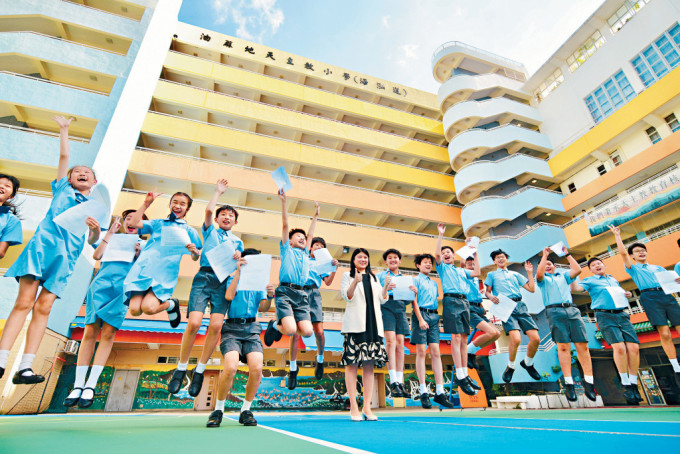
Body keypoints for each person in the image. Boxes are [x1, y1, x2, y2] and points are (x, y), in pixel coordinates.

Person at [0, 116, 101, 384]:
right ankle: (0, 361)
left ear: (93, 182)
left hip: (65, 259)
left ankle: (25, 368)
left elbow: (92, 242)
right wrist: (64, 129)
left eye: (87, 173)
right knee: (23, 303)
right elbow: (64, 156)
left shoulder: (92, 207)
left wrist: (95, 229)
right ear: (68, 178)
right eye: (77, 171)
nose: (82, 173)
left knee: (43, 309)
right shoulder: (62, 190)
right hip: (42, 249)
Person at [169, 180, 243, 397]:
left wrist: (239, 257)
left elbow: (238, 266)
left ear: (235, 221)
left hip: (223, 281)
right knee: (193, 323)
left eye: (231, 215)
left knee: (216, 327)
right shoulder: (209, 231)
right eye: (223, 214)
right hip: (203, 277)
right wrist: (218, 192)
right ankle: (181, 368)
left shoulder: (237, 242)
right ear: (218, 219)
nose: (227, 217)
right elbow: (209, 209)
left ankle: (199, 370)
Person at [63, 211, 144, 408]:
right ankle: (78, 385)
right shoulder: (112, 236)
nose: (131, 222)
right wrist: (108, 233)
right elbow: (96, 255)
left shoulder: (143, 245)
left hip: (121, 290)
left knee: (108, 334)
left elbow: (143, 271)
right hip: (100, 286)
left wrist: (138, 254)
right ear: (123, 222)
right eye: (127, 219)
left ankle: (90, 385)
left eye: (136, 219)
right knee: (90, 331)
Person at [206, 249, 274, 428]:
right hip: (232, 328)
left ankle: (245, 410)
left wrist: (269, 295)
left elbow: (264, 308)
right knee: (230, 368)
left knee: (257, 369)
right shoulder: (232, 278)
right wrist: (238, 271)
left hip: (252, 329)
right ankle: (218, 409)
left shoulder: (259, 283)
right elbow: (228, 296)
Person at [610, 225, 680, 380]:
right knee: (665, 332)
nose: (641, 252)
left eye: (643, 250)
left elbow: (673, 283)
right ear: (632, 256)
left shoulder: (659, 268)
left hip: (667, 296)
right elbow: (622, 253)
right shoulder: (633, 269)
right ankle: (676, 367)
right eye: (637, 251)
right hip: (649, 298)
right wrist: (617, 236)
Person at [124, 190, 201, 327]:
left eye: (182, 204)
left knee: (149, 308)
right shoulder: (157, 223)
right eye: (175, 202)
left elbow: (195, 257)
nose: (178, 206)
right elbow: (134, 223)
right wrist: (146, 203)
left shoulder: (189, 231)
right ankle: (170, 304)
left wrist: (194, 252)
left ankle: (171, 304)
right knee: (134, 310)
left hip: (164, 274)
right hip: (144, 269)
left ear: (187, 209)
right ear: (170, 204)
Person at [263, 191, 318, 380]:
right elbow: (285, 225)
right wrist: (284, 201)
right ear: (291, 240)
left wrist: (316, 216)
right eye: (298, 236)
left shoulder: (305, 254)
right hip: (285, 291)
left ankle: (278, 326)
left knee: (308, 332)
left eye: (304, 237)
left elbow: (311, 233)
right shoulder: (287, 249)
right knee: (293, 330)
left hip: (301, 295)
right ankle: (276, 325)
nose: (302, 238)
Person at [571, 257, 641, 404]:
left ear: (604, 265)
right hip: (604, 315)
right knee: (620, 348)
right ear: (590, 270)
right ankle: (626, 384)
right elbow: (576, 289)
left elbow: (618, 294)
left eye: (599, 263)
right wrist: (570, 276)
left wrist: (626, 293)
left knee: (634, 347)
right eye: (593, 265)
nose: (597, 265)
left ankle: (634, 383)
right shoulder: (590, 281)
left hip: (622, 314)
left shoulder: (613, 279)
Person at [535, 246, 596, 402]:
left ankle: (589, 382)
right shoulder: (543, 280)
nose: (548, 264)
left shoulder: (563, 276)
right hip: (554, 311)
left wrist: (567, 254)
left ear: (555, 266)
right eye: (545, 263)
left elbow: (577, 270)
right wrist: (544, 255)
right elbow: (539, 273)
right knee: (563, 346)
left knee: (583, 345)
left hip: (572, 310)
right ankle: (569, 384)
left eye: (551, 263)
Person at [340, 248, 388, 421]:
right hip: (355, 325)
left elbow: (383, 299)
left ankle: (367, 407)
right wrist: (355, 282)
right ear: (353, 260)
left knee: (369, 366)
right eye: (359, 257)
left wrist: (386, 288)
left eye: (365, 257)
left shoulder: (374, 278)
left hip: (373, 325)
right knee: (351, 365)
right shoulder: (348, 276)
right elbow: (347, 296)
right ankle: (353, 406)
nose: (363, 259)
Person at [288, 237, 338, 389]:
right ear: (310, 248)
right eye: (316, 245)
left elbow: (328, 282)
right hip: (299, 292)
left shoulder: (321, 264)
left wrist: (334, 268)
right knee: (296, 333)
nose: (318, 248)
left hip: (314, 294)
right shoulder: (302, 258)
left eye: (322, 246)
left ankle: (320, 359)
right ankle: (292, 368)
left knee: (319, 332)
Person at [435, 225, 479, 395]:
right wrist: (441, 235)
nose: (446, 254)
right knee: (455, 337)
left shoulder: (461, 271)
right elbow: (437, 254)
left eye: (449, 252)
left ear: (454, 256)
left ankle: (465, 374)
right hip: (451, 300)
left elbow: (477, 271)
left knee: (463, 338)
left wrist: (474, 253)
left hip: (464, 302)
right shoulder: (442, 268)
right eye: (444, 252)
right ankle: (460, 376)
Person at [485, 250, 541, 383]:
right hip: (504, 305)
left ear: (507, 259)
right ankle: (511, 366)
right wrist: (491, 297)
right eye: (497, 258)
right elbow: (487, 292)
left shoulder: (515, 274)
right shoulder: (491, 274)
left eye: (502, 257)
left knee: (536, 339)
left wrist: (529, 272)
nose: (500, 259)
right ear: (494, 261)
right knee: (516, 339)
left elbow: (531, 289)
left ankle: (528, 363)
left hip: (520, 305)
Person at [409, 253, 454, 408]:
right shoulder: (415, 280)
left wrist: (438, 321)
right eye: (425, 262)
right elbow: (413, 301)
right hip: (420, 315)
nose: (428, 264)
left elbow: (435, 301)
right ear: (418, 265)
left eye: (430, 262)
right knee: (421, 352)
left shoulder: (434, 283)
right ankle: (423, 392)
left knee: (436, 352)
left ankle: (440, 392)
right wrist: (420, 319)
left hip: (434, 317)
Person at [376, 248, 410, 398]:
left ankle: (400, 381)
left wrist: (413, 291)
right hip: (386, 306)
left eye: (395, 257)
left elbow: (409, 300)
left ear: (399, 260)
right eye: (389, 258)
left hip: (400, 306)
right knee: (390, 342)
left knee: (400, 343)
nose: (393, 260)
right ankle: (393, 381)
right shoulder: (379, 276)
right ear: (386, 261)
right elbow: (375, 295)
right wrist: (385, 287)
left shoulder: (405, 278)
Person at [464, 256, 501, 369]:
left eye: (473, 263)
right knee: (490, 333)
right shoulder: (464, 275)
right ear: (465, 266)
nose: (471, 265)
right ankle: (466, 351)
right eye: (469, 263)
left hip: (478, 308)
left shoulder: (476, 278)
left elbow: (475, 294)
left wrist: (481, 305)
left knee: (496, 334)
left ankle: (471, 352)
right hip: (469, 308)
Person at [0, 173, 22, 260]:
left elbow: (1, 252)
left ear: (11, 196)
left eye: (7, 186)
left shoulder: (12, 220)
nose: (1, 186)